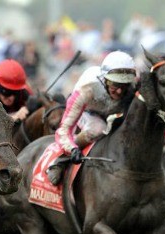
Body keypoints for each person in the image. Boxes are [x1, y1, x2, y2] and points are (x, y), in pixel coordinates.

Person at [47, 50, 137, 185]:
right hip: (88, 113)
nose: (119, 91)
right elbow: (64, 129)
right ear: (104, 78)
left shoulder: (134, 86)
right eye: (115, 85)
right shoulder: (88, 87)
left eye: (124, 85)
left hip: (112, 114)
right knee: (98, 128)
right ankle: (60, 160)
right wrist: (72, 149)